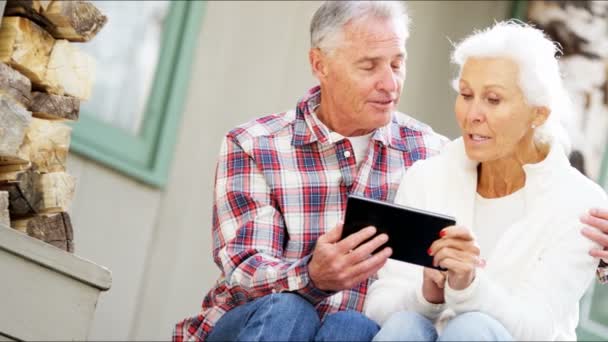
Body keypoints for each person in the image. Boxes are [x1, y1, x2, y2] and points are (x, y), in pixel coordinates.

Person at [173, 2, 608, 341]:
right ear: (320, 64)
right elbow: (243, 271)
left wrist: (601, 258)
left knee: (353, 327)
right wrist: (311, 276)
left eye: (397, 63)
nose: (390, 83)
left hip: (358, 332)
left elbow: (541, 231)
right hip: (261, 325)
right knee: (292, 310)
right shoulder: (256, 145)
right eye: (369, 66)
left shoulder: (432, 155)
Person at [365, 21, 608, 342]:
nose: (471, 114)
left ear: (538, 114)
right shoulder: (427, 177)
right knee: (403, 325)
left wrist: (469, 285)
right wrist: (429, 294)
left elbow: (538, 328)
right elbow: (378, 306)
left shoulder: (580, 204)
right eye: (466, 94)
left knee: (471, 329)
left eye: (493, 100)